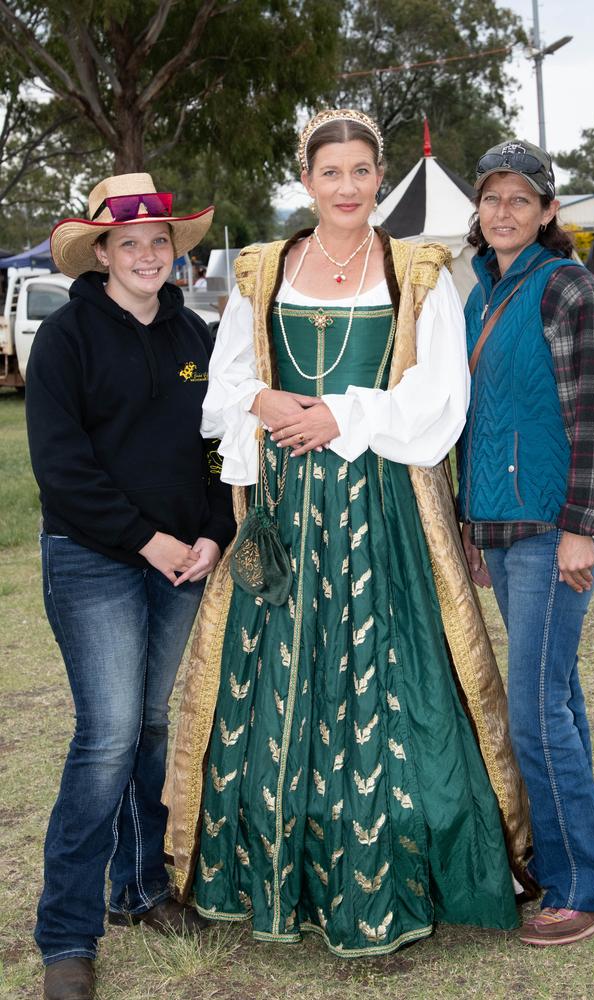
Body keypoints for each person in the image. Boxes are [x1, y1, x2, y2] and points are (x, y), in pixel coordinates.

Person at [163, 109, 533, 959]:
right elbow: (223, 387)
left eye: (361, 171)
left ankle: (410, 868)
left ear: (379, 177)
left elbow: (441, 399)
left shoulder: (418, 270)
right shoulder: (263, 271)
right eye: (330, 173)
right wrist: (264, 402)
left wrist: (342, 414)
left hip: (382, 502)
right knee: (280, 676)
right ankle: (270, 870)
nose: (346, 187)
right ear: (308, 180)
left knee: (389, 672)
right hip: (287, 505)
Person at [26, 173, 236, 1000]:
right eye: (130, 243)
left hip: (186, 558)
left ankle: (142, 890)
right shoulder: (68, 339)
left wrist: (215, 531)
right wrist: (147, 540)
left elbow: (225, 449)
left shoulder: (199, 337)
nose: (149, 254)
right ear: (102, 253)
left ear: (174, 253)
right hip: (93, 559)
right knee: (107, 734)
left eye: (161, 241)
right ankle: (65, 937)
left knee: (154, 727)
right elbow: (61, 469)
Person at [457, 140, 594, 947]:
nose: (504, 212)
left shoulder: (570, 289)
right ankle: (571, 867)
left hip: (551, 534)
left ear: (549, 212)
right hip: (502, 531)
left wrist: (580, 530)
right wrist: (470, 525)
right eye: (492, 198)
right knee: (554, 702)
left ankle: (582, 889)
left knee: (534, 713)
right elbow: (473, 421)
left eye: (520, 199)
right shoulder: (479, 293)